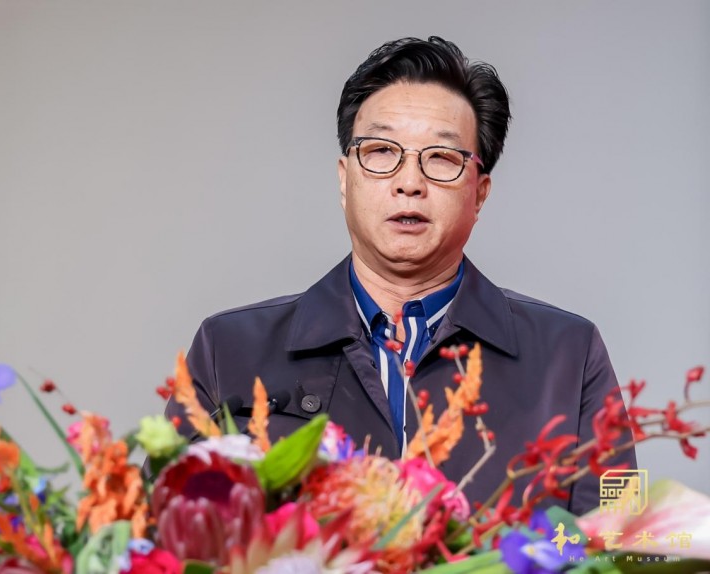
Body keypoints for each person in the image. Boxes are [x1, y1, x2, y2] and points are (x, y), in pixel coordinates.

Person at [165, 36, 636, 515]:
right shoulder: (229, 349)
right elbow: (163, 536)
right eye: (381, 151)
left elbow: (624, 540)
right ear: (344, 178)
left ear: (479, 193)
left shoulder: (569, 355)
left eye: (442, 158)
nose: (409, 183)